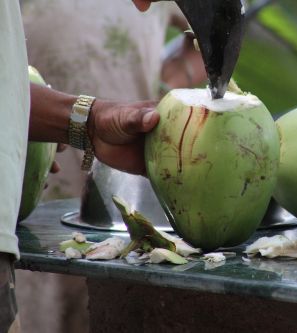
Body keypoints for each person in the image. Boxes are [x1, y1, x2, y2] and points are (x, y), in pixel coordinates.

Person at [16, 1, 205, 332]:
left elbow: (222, 24)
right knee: (39, 292)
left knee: (109, 294)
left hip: (122, 173)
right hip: (34, 169)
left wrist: (177, 78)